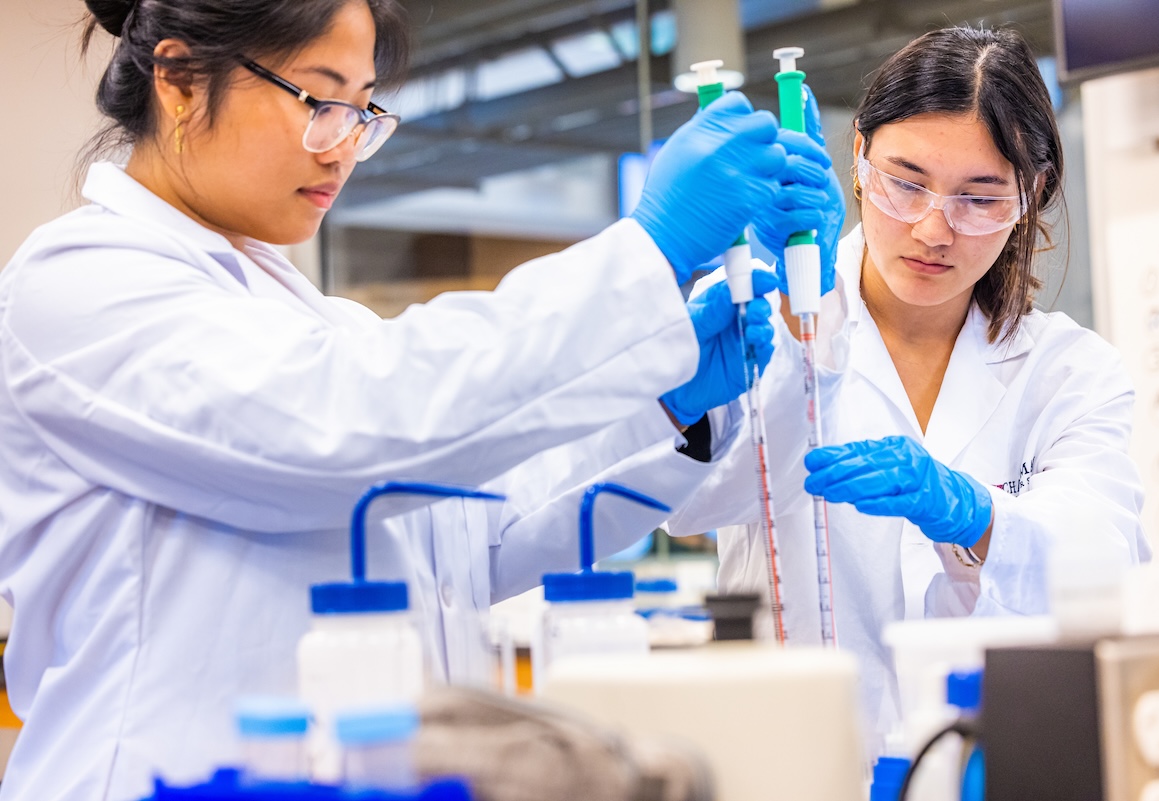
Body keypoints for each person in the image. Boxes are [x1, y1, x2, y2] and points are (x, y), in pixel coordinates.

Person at [0, 0, 816, 796]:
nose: (343, 149)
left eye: (363, 113)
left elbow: (478, 534)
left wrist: (664, 407)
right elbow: (345, 429)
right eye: (320, 102)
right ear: (179, 79)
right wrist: (647, 251)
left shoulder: (313, 324)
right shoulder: (79, 284)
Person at [666, 25, 1149, 748]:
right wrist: (781, 341)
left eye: (979, 197)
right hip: (795, 759)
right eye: (906, 182)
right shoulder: (750, 312)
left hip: (990, 763)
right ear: (859, 158)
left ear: (1033, 194)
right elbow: (685, 507)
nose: (932, 230)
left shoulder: (1069, 373)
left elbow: (1106, 564)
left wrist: (977, 515)